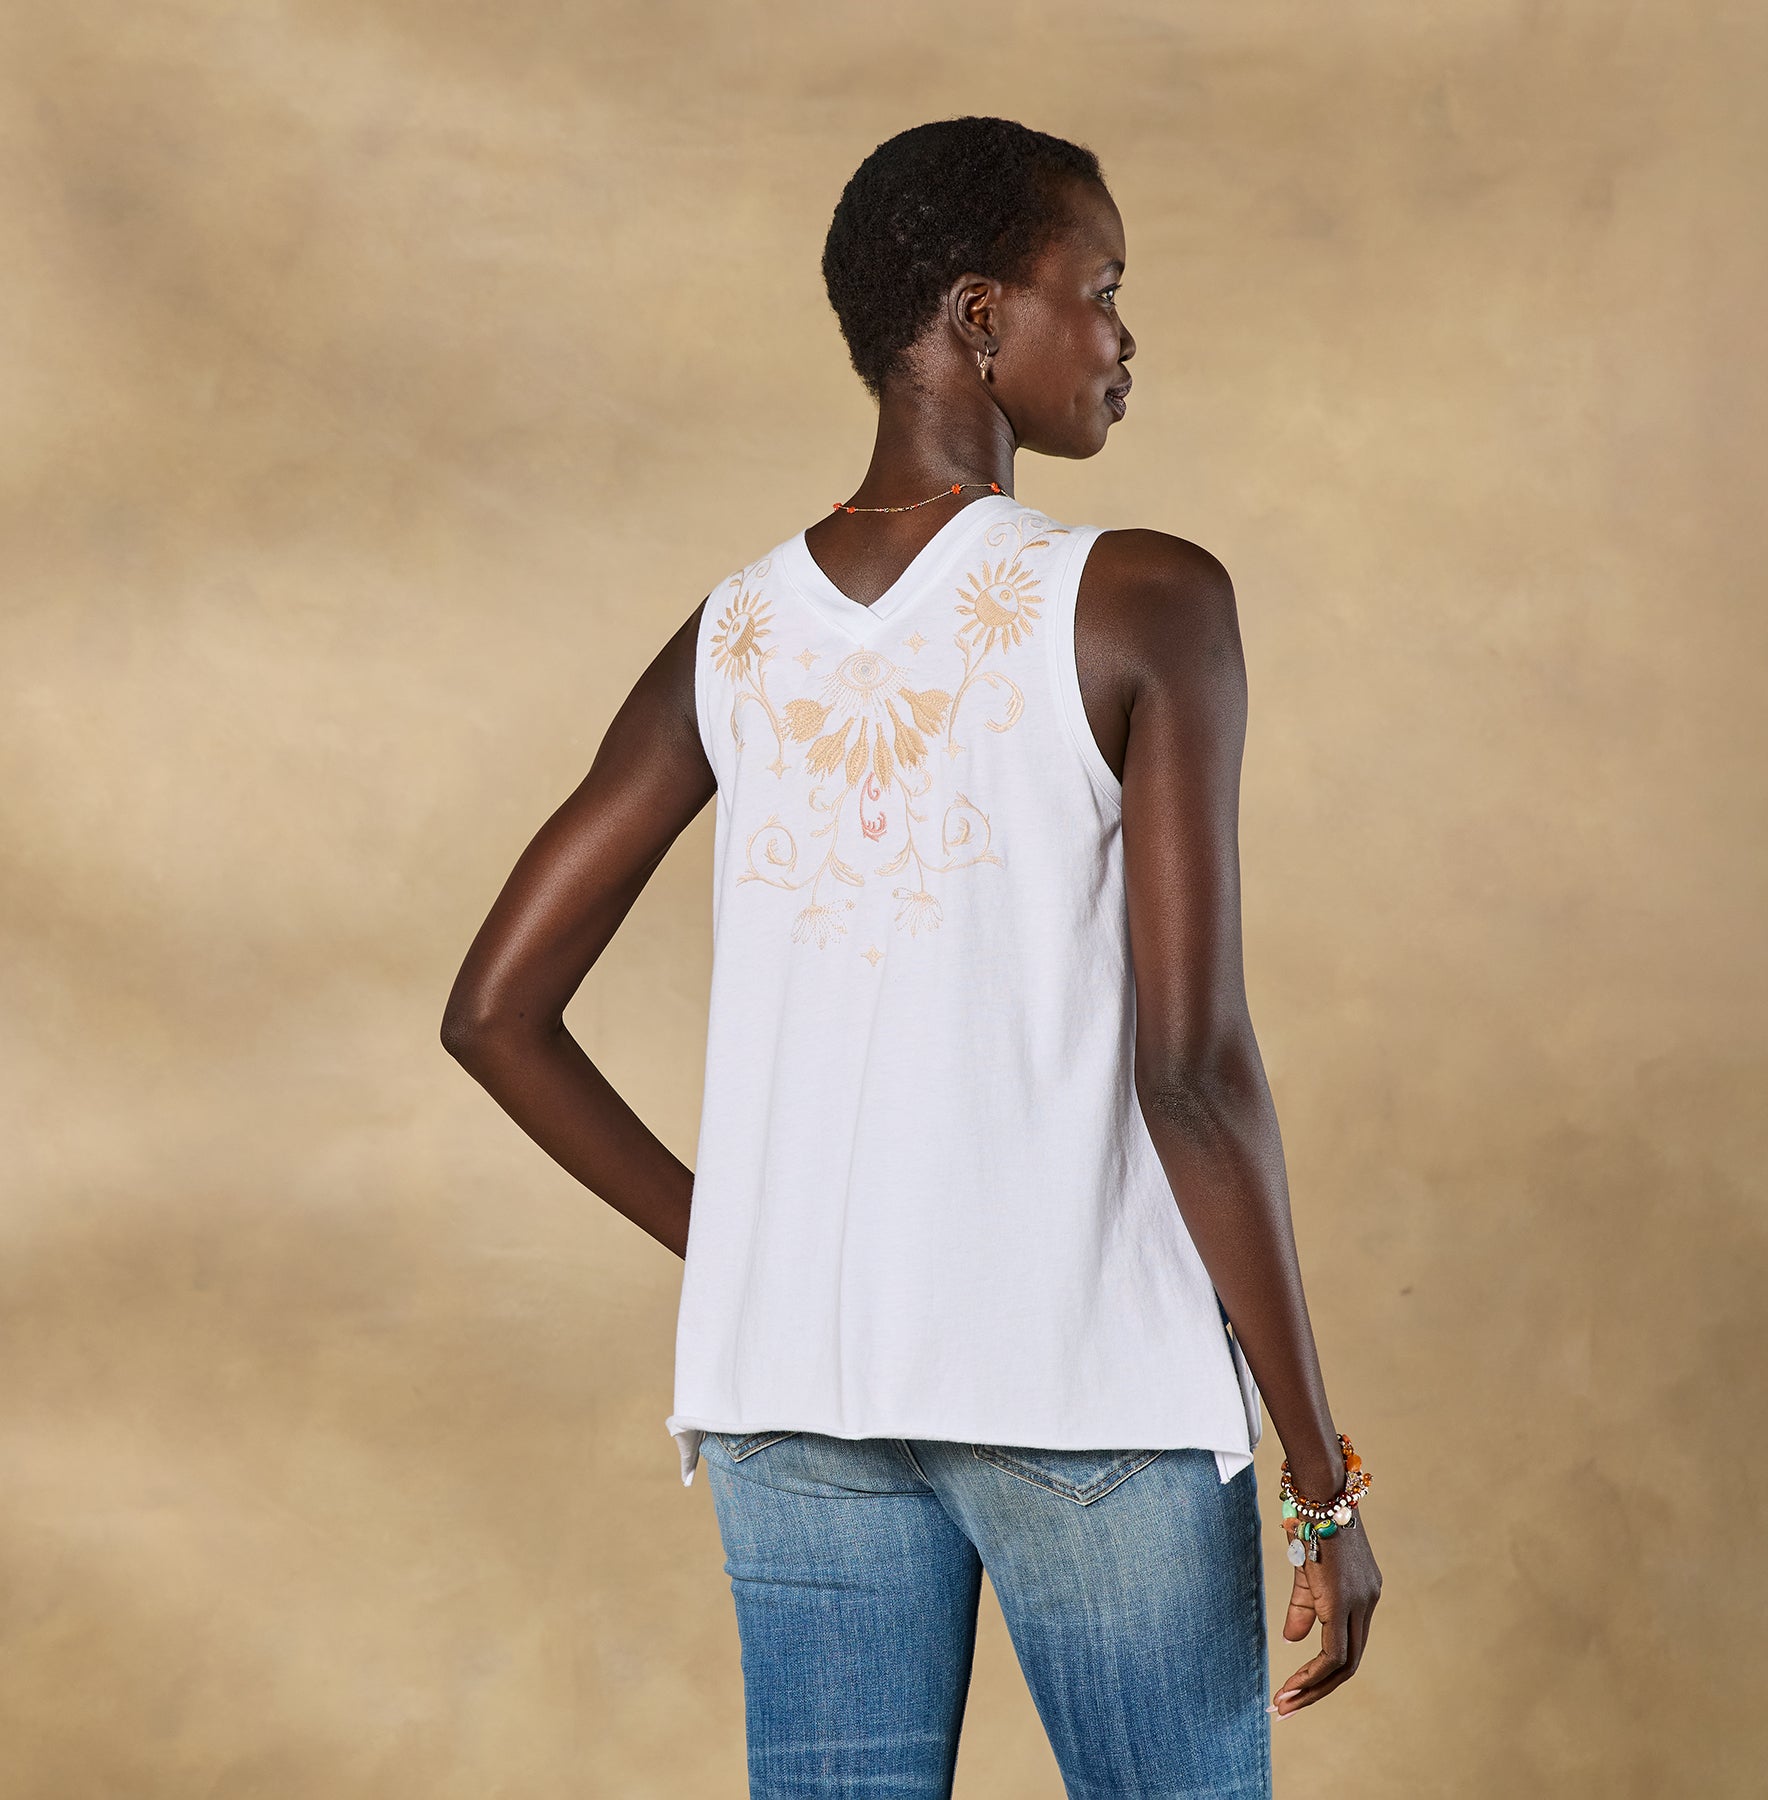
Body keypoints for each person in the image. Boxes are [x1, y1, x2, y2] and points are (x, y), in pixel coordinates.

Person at [441, 114, 1380, 1799]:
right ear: (977, 316)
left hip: (794, 1388)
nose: (1125, 338)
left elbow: (496, 1013)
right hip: (1081, 1376)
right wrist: (1322, 1477)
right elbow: (1192, 1071)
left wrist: (743, 1243)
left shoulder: (733, 633)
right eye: (1100, 289)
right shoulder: (1146, 600)